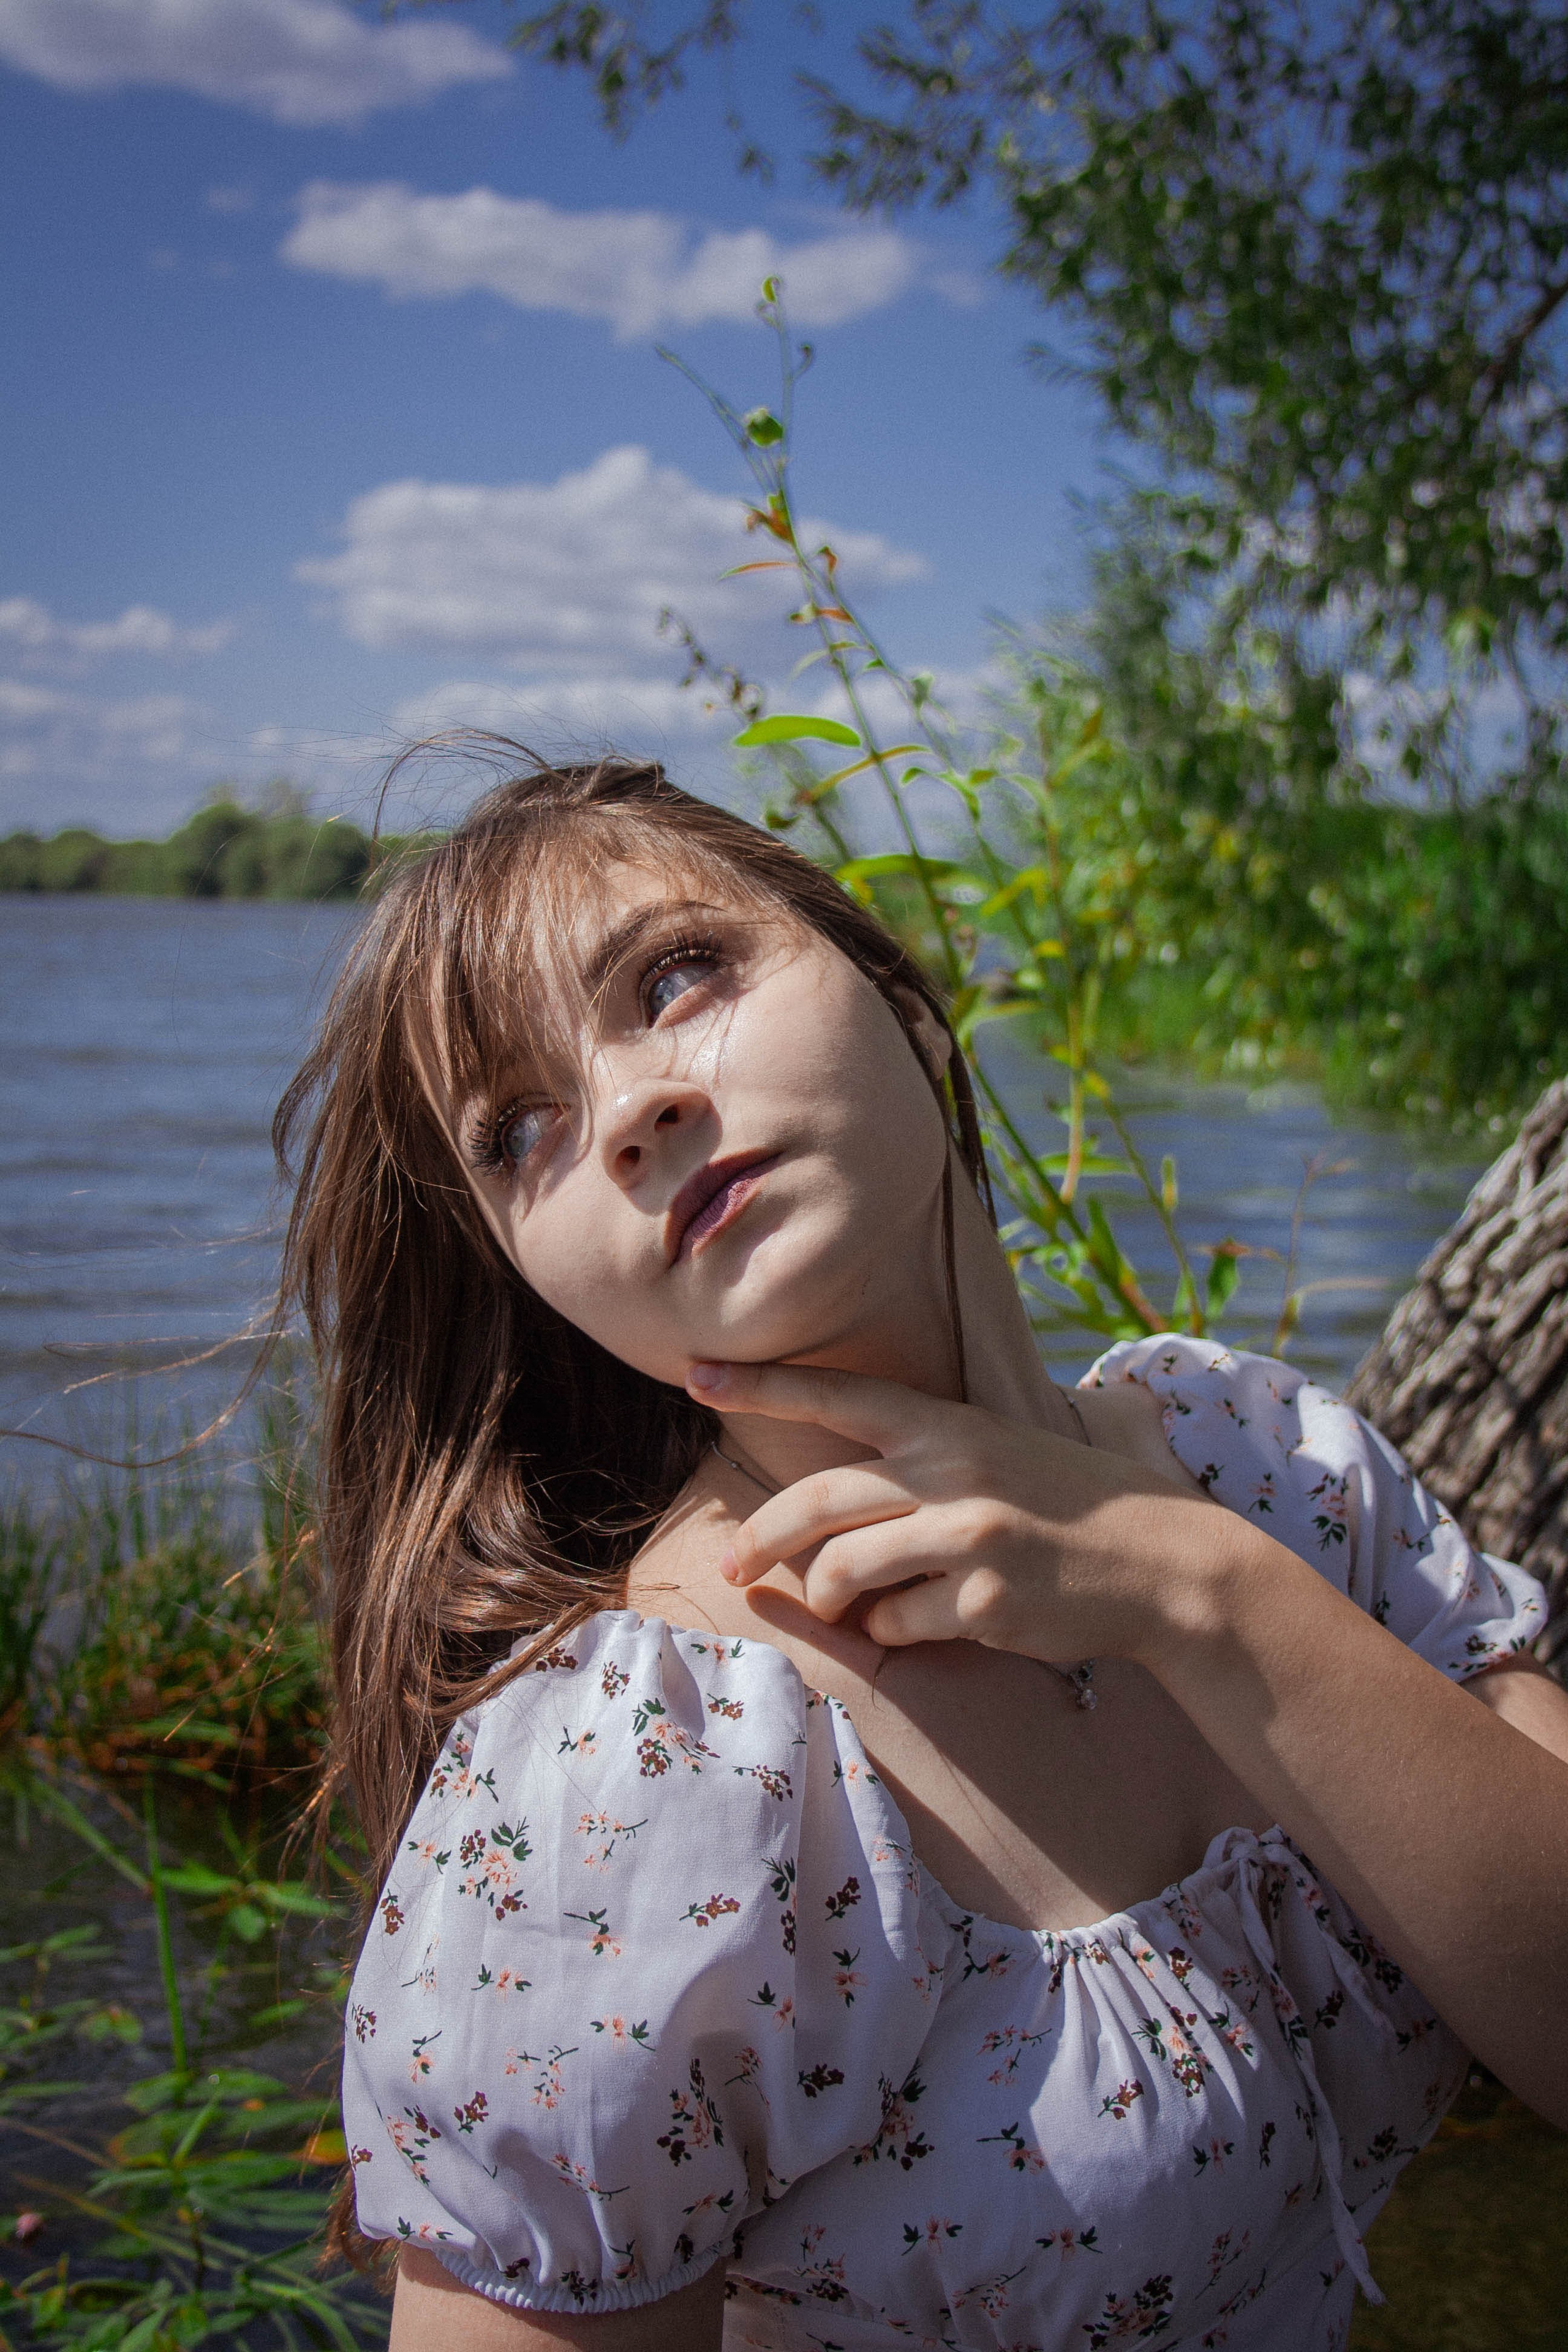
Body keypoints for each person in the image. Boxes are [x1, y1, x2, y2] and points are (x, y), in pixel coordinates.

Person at [277, 752, 1568, 2352]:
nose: (630, 1110)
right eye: (519, 1128)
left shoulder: (1258, 1461)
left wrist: (1197, 1593)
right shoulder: (638, 1781)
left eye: (678, 975)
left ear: (908, 1002)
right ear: (539, 1278)